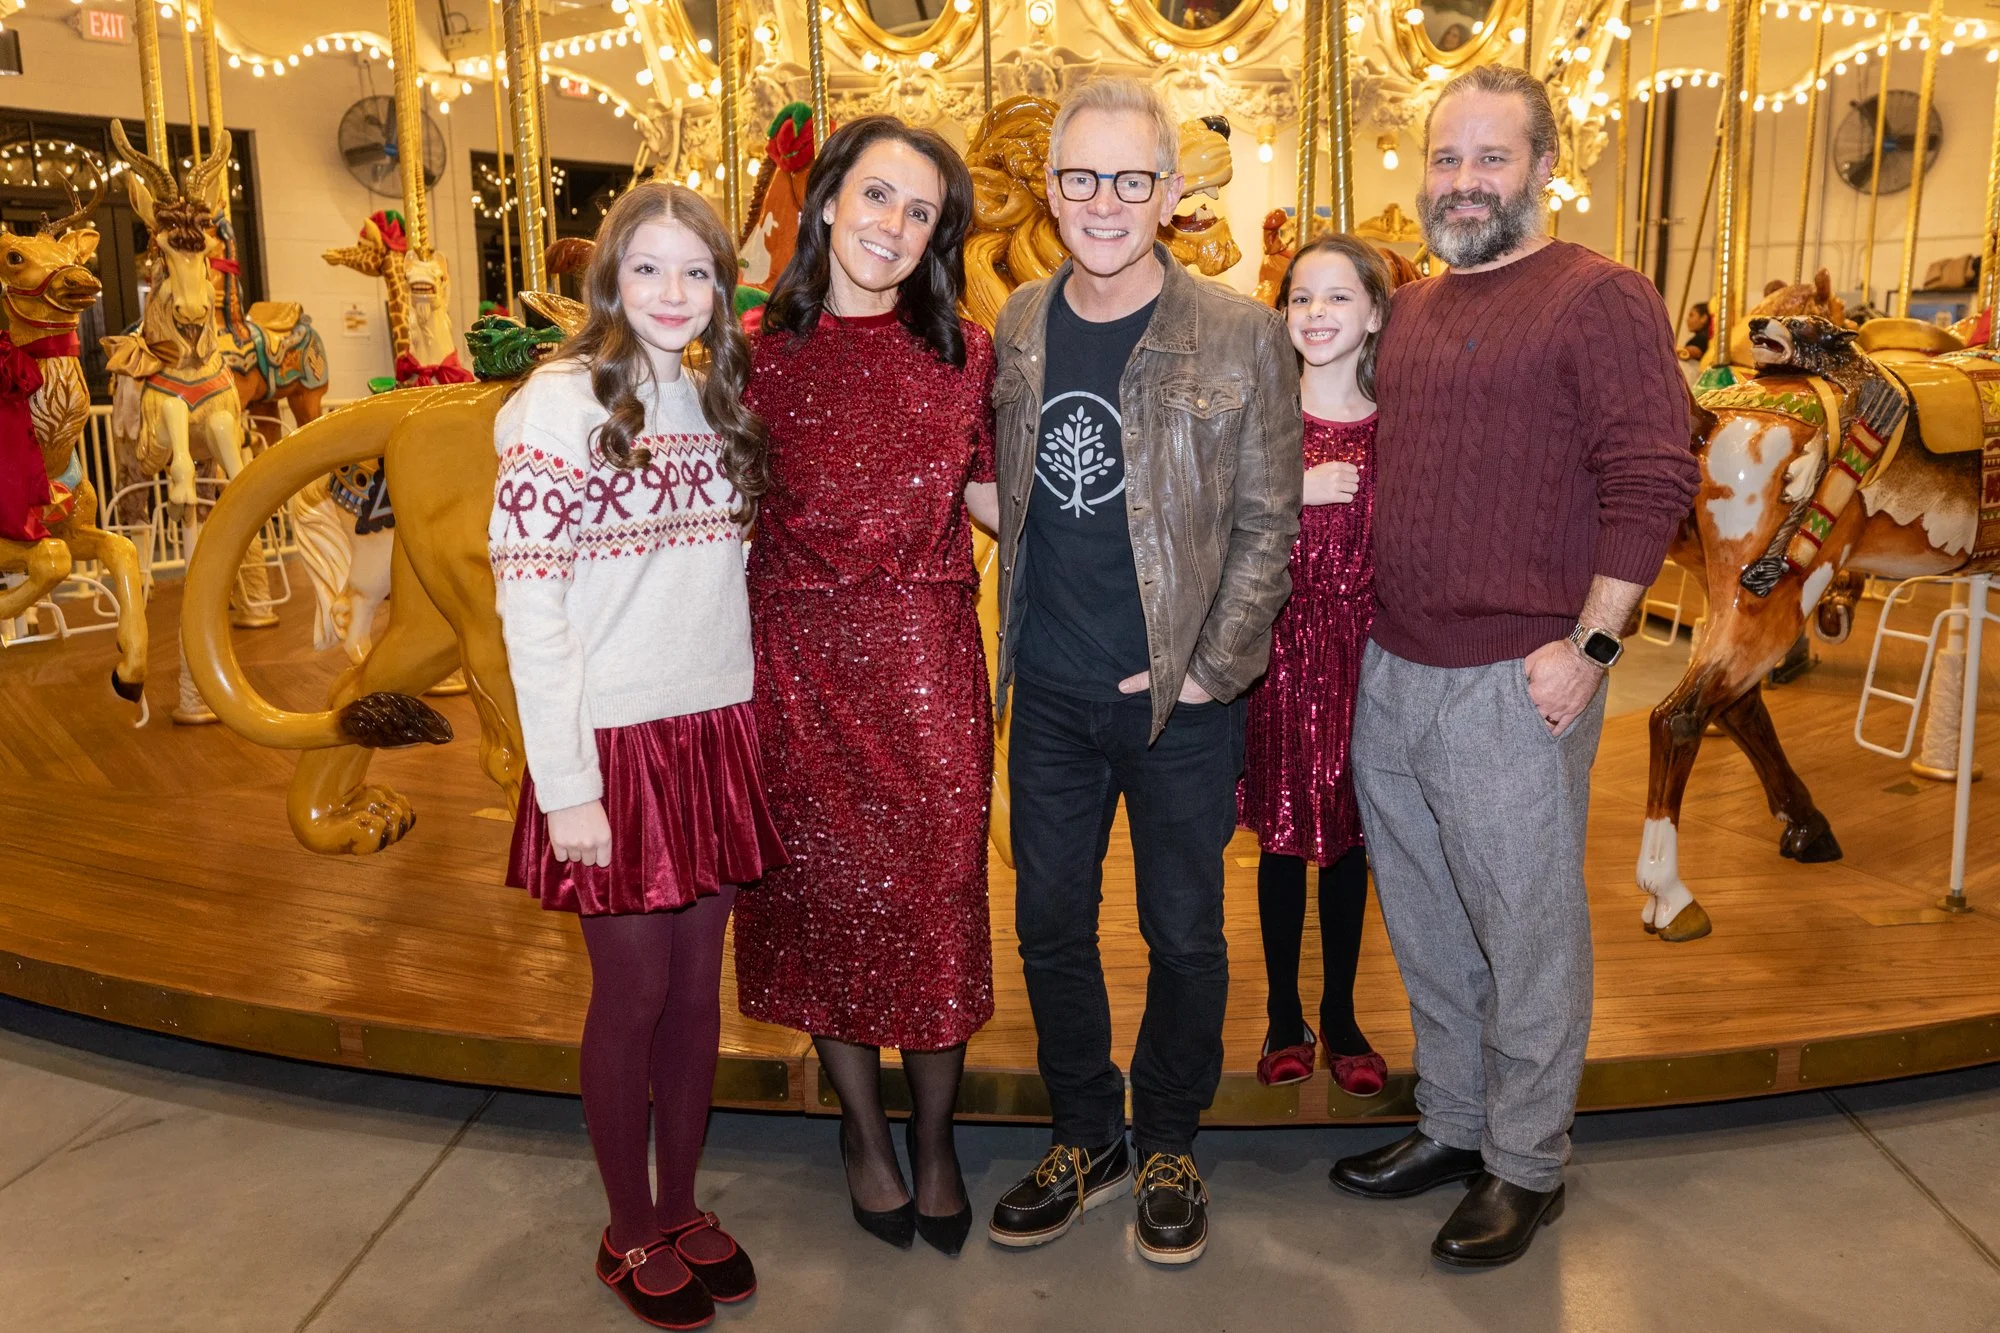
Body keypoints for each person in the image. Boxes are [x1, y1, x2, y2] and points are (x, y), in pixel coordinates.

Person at [1329, 64, 1700, 1269]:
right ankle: (1451, 1123)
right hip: (1394, 662)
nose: (1464, 180)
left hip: (1515, 673)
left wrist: (1590, 645)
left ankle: (1526, 1161)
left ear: (1544, 166)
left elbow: (1652, 476)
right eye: (1446, 159)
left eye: (1491, 158)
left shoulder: (1599, 297)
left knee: (1525, 928)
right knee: (1427, 921)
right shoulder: (1418, 305)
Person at [983, 78, 1302, 1266]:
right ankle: (1084, 1132)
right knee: (1049, 925)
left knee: (1183, 934)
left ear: (1169, 196)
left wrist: (1217, 668)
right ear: (1050, 190)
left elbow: (1269, 523)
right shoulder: (1017, 320)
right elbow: (1009, 488)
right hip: (1052, 694)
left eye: (1130, 179)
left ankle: (1166, 1135)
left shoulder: (1237, 331)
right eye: (1080, 177)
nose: (1103, 202)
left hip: (1180, 697)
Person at [490, 182, 785, 1328]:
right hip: (609, 743)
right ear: (609, 279)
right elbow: (531, 603)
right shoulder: (556, 405)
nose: (674, 293)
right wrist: (567, 786)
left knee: (695, 994)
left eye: (697, 272)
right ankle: (624, 1225)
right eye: (650, 269)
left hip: (710, 725)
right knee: (634, 990)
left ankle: (678, 1202)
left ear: (721, 286)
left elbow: (718, 583)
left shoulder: (714, 393)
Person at [730, 115, 997, 1258]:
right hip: (791, 662)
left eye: (919, 210)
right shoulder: (751, 349)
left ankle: (933, 1138)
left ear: (937, 235)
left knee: (935, 902)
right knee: (827, 904)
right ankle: (861, 1130)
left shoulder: (967, 351)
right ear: (828, 199)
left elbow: (999, 500)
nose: (892, 225)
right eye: (876, 195)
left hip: (926, 661)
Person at [1240, 234, 1390, 1099]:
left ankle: (1340, 1011)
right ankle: (1282, 1011)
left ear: (1372, 314)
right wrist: (1293, 486)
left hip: (1369, 657)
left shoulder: (1398, 427)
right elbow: (1209, 513)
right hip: (1282, 654)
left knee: (1350, 840)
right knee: (1283, 836)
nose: (1318, 314)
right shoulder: (1265, 421)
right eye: (1301, 298)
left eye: (1338, 298)